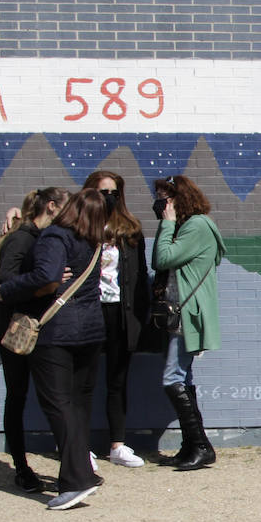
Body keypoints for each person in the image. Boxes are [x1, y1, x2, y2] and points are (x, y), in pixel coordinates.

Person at [0, 188, 107, 510]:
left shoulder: (56, 236)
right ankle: (83, 473)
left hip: (58, 332)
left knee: (58, 405)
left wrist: (8, 289)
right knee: (75, 406)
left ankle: (77, 481)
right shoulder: (92, 238)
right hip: (91, 330)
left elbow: (46, 275)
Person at [0, 186, 69, 492]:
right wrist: (45, 283)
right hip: (18, 330)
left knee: (45, 395)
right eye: (64, 208)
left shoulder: (38, 237)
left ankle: (70, 463)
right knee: (18, 395)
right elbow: (5, 282)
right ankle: (22, 468)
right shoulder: (23, 238)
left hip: (34, 326)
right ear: (51, 206)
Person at [151, 175, 225, 471]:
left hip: (186, 314)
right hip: (179, 311)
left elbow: (162, 257)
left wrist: (167, 223)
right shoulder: (188, 226)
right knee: (184, 378)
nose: (160, 204)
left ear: (179, 198)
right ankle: (192, 444)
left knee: (172, 378)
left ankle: (202, 446)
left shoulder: (196, 226)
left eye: (164, 198)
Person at [83, 170, 150, 468]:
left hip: (120, 313)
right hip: (88, 310)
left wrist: (141, 314)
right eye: (102, 192)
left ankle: (117, 445)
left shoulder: (130, 229)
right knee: (83, 382)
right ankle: (79, 447)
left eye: (113, 193)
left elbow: (140, 275)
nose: (108, 198)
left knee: (117, 380)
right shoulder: (81, 227)